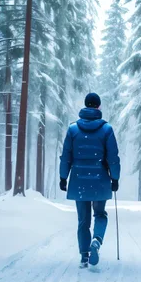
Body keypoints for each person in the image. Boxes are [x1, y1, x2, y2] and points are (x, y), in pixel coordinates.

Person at [59, 92, 121, 268]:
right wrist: (114, 178)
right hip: (100, 179)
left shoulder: (73, 129)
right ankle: (97, 240)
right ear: (98, 107)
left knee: (83, 220)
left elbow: (66, 157)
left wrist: (63, 177)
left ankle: (84, 255)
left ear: (85, 105)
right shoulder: (107, 129)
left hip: (78, 180)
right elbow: (113, 158)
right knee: (100, 214)